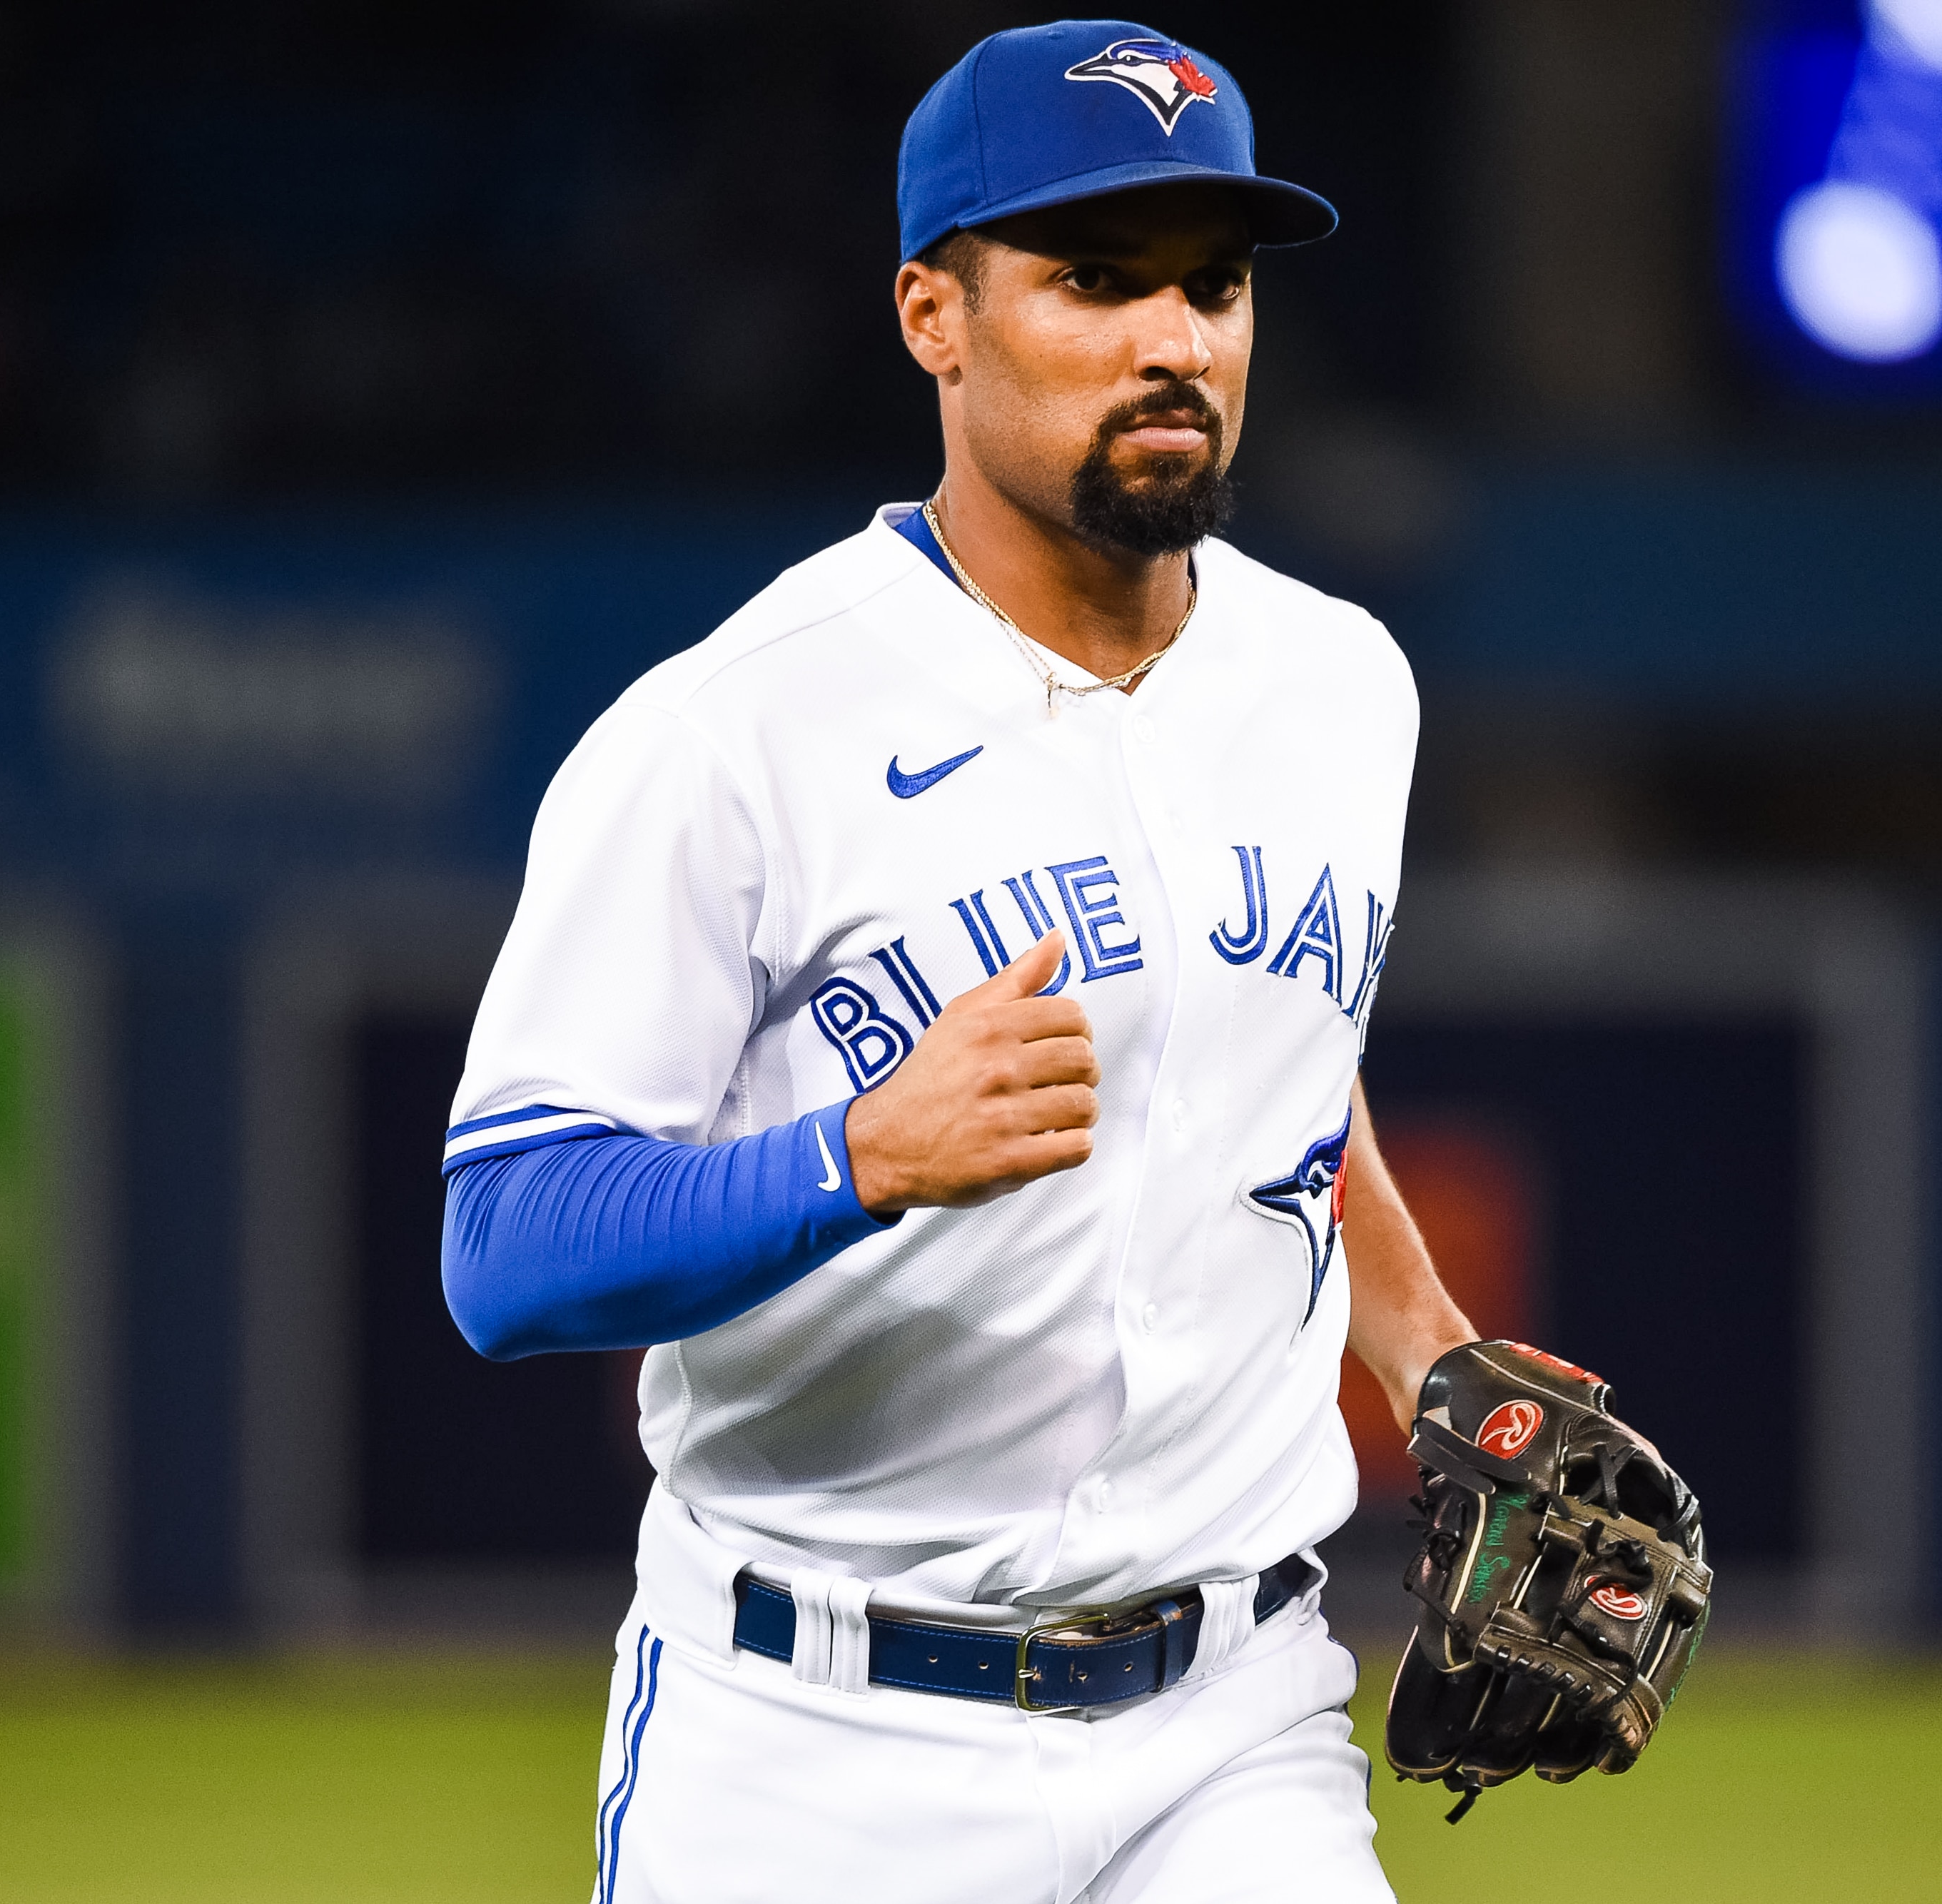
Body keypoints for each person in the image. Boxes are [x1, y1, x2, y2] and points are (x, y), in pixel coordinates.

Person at [440, 21, 1476, 1901]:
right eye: (1094, 280)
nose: (1176, 341)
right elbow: (505, 1242)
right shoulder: (734, 730)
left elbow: (1280, 1057)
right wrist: (857, 1155)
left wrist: (1431, 1352)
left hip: (1234, 1726)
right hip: (818, 1739)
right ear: (934, 315)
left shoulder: (1343, 686)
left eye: (1215, 286)